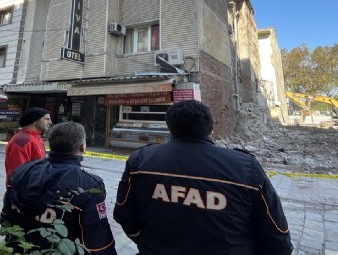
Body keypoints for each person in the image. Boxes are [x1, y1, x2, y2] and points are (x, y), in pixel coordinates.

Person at [113, 100, 293, 254]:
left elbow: (124, 213)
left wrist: (142, 240)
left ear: (169, 127)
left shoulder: (141, 161)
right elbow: (276, 233)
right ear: (211, 128)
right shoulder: (245, 167)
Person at [1, 122, 116, 254]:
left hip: (20, 249)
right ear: (82, 147)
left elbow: (6, 217)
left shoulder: (22, 172)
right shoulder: (89, 185)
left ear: (49, 144)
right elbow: (98, 240)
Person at [4, 107, 51, 180]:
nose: (50, 122)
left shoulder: (36, 137)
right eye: (46, 119)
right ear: (35, 120)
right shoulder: (22, 141)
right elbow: (18, 174)